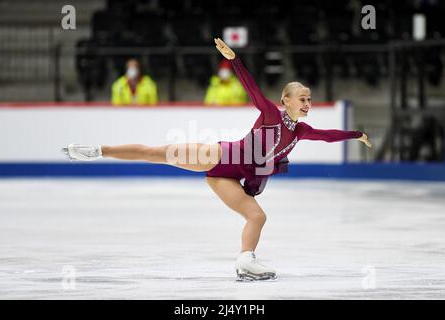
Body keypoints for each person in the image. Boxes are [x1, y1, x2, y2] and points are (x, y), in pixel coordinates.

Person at [63, 38, 372, 281]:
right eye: (302, 98)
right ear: (285, 101)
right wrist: (234, 60)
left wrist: (356, 134)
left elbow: (327, 135)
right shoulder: (269, 113)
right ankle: (96, 150)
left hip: (225, 179)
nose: (307, 102)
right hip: (219, 157)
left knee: (258, 216)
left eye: (309, 98)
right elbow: (251, 88)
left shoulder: (301, 130)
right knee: (155, 153)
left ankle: (245, 261)